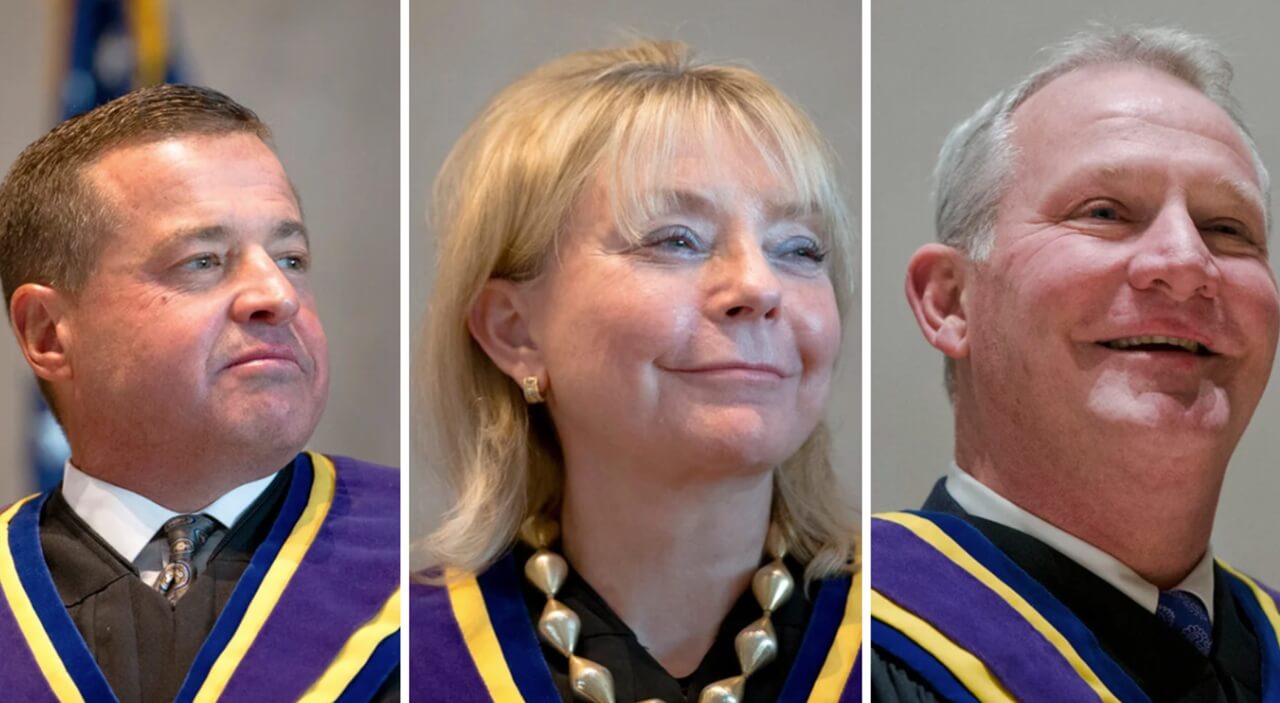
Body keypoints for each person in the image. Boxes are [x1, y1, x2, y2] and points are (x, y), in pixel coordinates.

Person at [410, 40, 860, 702]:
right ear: (514, 330)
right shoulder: (399, 661)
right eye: (676, 239)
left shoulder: (921, 646)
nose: (759, 285)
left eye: (799, 247)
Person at [872, 25, 1280, 702]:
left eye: (1227, 228)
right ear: (951, 302)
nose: (1187, 263)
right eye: (1105, 212)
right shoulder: (837, 653)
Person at [0, 84, 399, 701]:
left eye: (290, 257)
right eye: (204, 261)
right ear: (49, 334)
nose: (277, 295)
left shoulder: (438, 570)